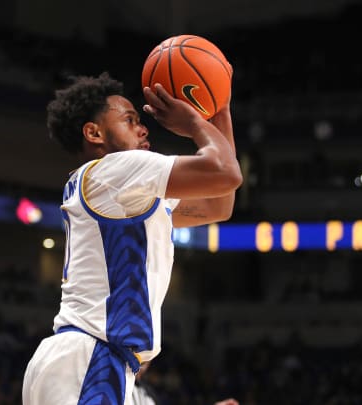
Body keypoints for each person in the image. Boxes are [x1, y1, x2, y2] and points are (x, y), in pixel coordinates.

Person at [22, 72, 242, 404]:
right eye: (130, 120)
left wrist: (220, 111)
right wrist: (195, 122)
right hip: (90, 355)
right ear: (94, 132)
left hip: (86, 358)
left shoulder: (123, 192)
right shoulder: (116, 170)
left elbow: (218, 204)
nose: (143, 128)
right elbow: (226, 173)